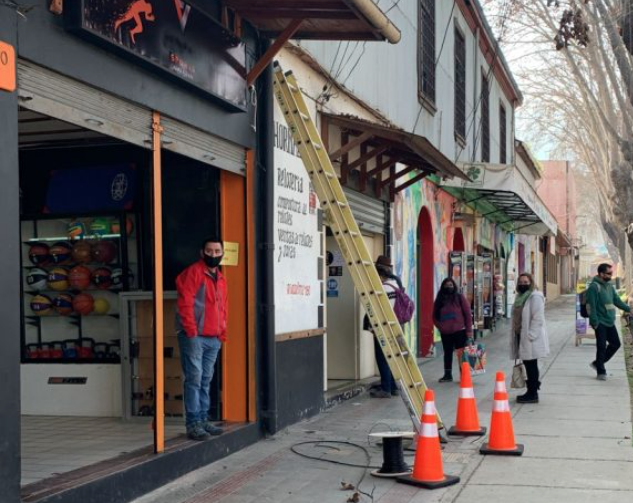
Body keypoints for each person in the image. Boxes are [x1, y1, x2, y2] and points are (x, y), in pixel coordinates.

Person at [176, 237, 228, 440]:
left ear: (222, 254)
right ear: (202, 252)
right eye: (209, 251)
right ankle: (193, 423)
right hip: (195, 336)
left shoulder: (221, 278)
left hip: (213, 337)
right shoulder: (194, 273)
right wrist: (191, 331)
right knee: (194, 379)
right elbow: (185, 303)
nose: (213, 255)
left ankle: (204, 419)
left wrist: (222, 332)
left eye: (217, 251)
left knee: (206, 380)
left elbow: (224, 307)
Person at [586, 263, 630, 381]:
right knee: (601, 346)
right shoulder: (594, 287)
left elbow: (617, 301)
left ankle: (597, 363)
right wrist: (594, 322)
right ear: (601, 274)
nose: (611, 275)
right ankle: (601, 371)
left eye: (612, 273)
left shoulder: (610, 286)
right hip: (599, 322)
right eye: (609, 273)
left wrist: (629, 309)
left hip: (610, 321)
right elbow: (591, 307)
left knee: (615, 344)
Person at [511, 273, 549, 403]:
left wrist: (530, 335)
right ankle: (531, 390)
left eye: (526, 282)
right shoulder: (520, 297)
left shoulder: (535, 297)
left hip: (530, 337)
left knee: (531, 365)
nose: (523, 284)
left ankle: (532, 393)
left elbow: (538, 317)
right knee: (528, 364)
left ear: (531, 282)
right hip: (520, 335)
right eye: (520, 282)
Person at [367, 255, 401, 398]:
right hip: (395, 326)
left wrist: (372, 327)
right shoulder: (395, 283)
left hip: (383, 327)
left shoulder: (384, 288)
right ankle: (393, 387)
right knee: (391, 357)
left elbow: (379, 309)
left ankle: (386, 388)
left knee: (382, 357)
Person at [433, 278, 473, 382]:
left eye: (450, 285)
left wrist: (469, 332)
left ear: (454, 286)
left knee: (461, 353)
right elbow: (434, 316)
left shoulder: (459, 298)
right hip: (446, 333)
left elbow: (468, 315)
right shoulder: (439, 299)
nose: (448, 287)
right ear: (443, 287)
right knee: (447, 353)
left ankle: (464, 375)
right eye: (446, 285)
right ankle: (447, 375)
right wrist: (441, 327)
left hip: (460, 331)